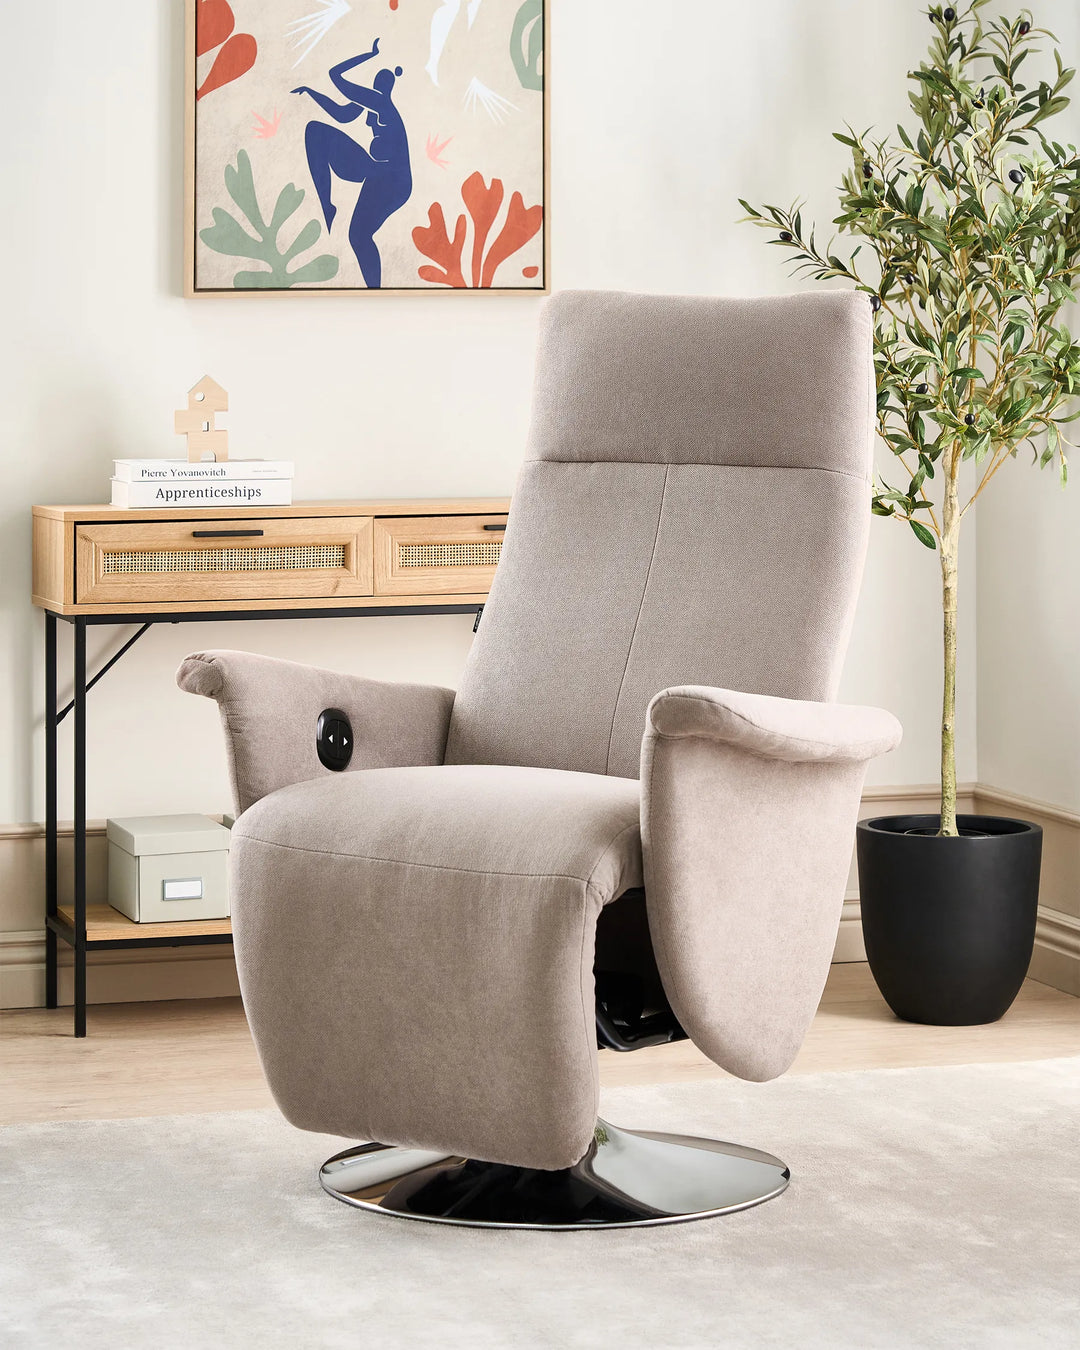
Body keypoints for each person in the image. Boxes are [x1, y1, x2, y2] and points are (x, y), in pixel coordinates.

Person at [292, 40, 412, 289]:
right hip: (376, 172)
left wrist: (369, 55)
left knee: (358, 236)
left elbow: (335, 75)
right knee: (316, 132)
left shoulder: (382, 105)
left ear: (382, 89)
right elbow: (340, 114)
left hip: (393, 181)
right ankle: (328, 205)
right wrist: (311, 92)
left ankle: (375, 292)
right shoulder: (372, 106)